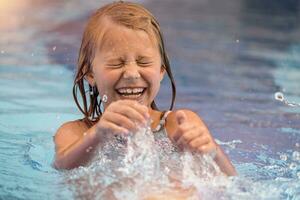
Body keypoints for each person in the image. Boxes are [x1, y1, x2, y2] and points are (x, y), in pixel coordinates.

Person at [53, 1, 237, 177]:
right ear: (90, 74)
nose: (132, 74)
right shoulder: (75, 132)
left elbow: (230, 180)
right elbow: (62, 167)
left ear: (161, 70)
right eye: (116, 63)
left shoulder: (177, 125)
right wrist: (98, 135)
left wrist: (212, 152)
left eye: (144, 62)